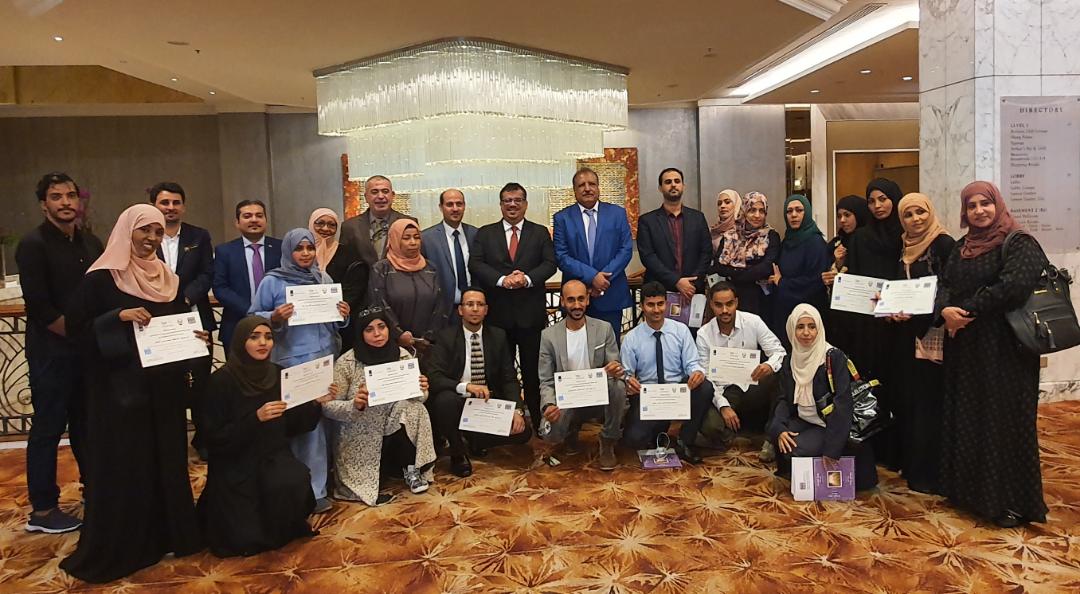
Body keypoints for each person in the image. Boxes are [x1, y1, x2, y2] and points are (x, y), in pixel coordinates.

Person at [60, 204, 206, 582]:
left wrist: (194, 339)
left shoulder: (167, 278)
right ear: (127, 231)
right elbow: (76, 331)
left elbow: (175, 323)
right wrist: (116, 318)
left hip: (164, 390)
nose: (151, 239)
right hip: (120, 393)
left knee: (166, 458)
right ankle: (130, 544)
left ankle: (169, 533)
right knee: (130, 463)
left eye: (158, 232)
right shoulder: (101, 279)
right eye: (144, 230)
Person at [937, 181, 1047, 528]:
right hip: (966, 347)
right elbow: (944, 283)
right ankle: (969, 493)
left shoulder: (1020, 243)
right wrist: (945, 310)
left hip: (1005, 349)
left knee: (1003, 421)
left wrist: (966, 310)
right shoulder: (962, 246)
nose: (979, 211)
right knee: (969, 416)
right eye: (971, 206)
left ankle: (1008, 502)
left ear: (997, 205)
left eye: (985, 203)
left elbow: (1013, 287)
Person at [17, 172, 103, 534]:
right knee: (48, 428)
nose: (66, 202)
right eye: (56, 197)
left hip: (88, 353)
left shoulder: (90, 242)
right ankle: (43, 509)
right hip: (52, 354)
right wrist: (81, 334)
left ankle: (95, 491)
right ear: (44, 204)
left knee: (88, 425)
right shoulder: (33, 244)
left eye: (70, 195)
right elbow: (40, 306)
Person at [197, 316, 326, 557]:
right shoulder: (221, 381)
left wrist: (315, 403)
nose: (263, 343)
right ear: (240, 341)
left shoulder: (278, 374)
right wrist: (255, 418)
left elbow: (295, 424)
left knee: (292, 479)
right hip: (236, 461)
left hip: (272, 454)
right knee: (242, 538)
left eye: (268, 337)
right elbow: (213, 437)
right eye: (254, 337)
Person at [249, 228, 351, 514]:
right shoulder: (273, 281)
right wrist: (274, 316)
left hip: (326, 357)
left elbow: (333, 322)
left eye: (310, 248)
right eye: (299, 249)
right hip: (293, 361)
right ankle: (309, 490)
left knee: (330, 418)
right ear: (288, 251)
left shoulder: (323, 278)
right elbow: (252, 318)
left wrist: (343, 315)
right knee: (306, 426)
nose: (305, 254)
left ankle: (329, 480)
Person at [324, 307, 436, 505]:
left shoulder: (402, 355)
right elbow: (328, 406)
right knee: (366, 485)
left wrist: (422, 389)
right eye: (369, 329)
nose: (377, 334)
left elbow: (418, 398)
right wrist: (354, 405)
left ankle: (411, 468)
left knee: (415, 410)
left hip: (394, 425)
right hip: (362, 431)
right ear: (360, 333)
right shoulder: (347, 362)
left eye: (381, 327)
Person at [469, 182, 557, 430]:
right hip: (497, 318)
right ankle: (502, 424)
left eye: (518, 200)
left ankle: (539, 423)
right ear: (500, 205)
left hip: (531, 317)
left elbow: (550, 264)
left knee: (533, 373)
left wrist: (526, 279)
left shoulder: (540, 232)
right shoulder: (485, 233)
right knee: (499, 373)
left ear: (525, 204)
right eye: (507, 200)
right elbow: (475, 264)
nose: (512, 205)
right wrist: (502, 280)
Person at [766, 304, 878, 491]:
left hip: (829, 424)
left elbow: (843, 405)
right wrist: (779, 428)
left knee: (795, 448)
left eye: (812, 326)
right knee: (776, 433)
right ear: (792, 329)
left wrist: (831, 450)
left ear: (819, 328)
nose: (806, 333)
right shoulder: (790, 360)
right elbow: (783, 399)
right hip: (806, 419)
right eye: (800, 327)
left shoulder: (833, 357)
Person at [423, 288, 532, 478]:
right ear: (460, 310)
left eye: (480, 304)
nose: (475, 309)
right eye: (469, 304)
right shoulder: (446, 337)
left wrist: (518, 410)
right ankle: (458, 452)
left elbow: (508, 378)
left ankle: (474, 439)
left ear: (486, 310)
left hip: (487, 403)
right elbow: (434, 376)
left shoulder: (498, 336)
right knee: (444, 401)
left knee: (523, 433)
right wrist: (466, 386)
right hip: (458, 401)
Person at [889, 193, 954, 494]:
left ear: (930, 212)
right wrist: (890, 308)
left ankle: (932, 473)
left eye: (920, 212)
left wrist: (924, 315)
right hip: (907, 335)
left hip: (934, 333)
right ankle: (914, 465)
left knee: (931, 401)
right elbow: (899, 287)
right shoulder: (903, 246)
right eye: (908, 214)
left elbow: (950, 287)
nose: (915, 219)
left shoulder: (943, 244)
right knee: (912, 399)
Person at [841, 178, 905, 469]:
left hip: (900, 325)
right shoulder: (861, 238)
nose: (878, 206)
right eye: (872, 201)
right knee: (871, 385)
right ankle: (873, 449)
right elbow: (855, 280)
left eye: (883, 199)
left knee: (898, 386)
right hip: (868, 326)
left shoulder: (906, 235)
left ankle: (897, 451)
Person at [150, 181, 215, 459]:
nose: (170, 208)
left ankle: (203, 439)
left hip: (194, 318)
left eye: (176, 202)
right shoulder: (146, 236)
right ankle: (170, 441)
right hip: (157, 322)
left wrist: (184, 298)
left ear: (183, 206)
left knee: (200, 382)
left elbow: (207, 273)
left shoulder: (198, 236)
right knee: (166, 384)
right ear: (154, 206)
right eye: (164, 203)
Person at [538, 280, 627, 470]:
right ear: (562, 301)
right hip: (567, 399)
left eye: (581, 299)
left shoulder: (604, 328)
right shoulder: (548, 336)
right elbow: (545, 380)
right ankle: (570, 430)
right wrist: (549, 405)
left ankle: (608, 441)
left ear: (588, 300)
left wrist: (615, 369)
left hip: (597, 396)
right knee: (549, 434)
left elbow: (616, 365)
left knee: (618, 386)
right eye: (571, 300)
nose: (577, 305)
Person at [620, 281, 713, 464]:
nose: (656, 310)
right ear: (642, 306)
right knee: (633, 439)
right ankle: (657, 430)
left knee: (705, 387)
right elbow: (626, 373)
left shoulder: (681, 330)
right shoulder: (631, 338)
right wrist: (628, 381)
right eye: (650, 305)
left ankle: (685, 440)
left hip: (677, 391)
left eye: (660, 304)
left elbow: (692, 363)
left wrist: (697, 372)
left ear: (667, 303)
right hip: (648, 394)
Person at [694, 282, 785, 461]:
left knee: (778, 374)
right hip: (722, 391)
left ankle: (770, 438)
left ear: (736, 302)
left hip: (751, 385)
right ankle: (737, 437)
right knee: (711, 427)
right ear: (711, 305)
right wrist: (723, 406)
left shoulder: (753, 322)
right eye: (718, 305)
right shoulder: (704, 334)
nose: (725, 310)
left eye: (729, 304)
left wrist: (769, 365)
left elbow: (779, 352)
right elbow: (706, 377)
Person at [552, 168, 634, 339]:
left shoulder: (617, 213)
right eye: (582, 185)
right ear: (574, 190)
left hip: (610, 294)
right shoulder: (562, 218)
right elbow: (561, 256)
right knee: (575, 348)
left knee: (609, 348)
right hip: (575, 298)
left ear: (598, 187)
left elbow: (625, 250)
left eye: (592, 184)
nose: (587, 188)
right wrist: (592, 277)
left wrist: (602, 280)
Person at [368, 219, 448, 350]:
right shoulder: (381, 269)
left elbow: (440, 305)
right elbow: (379, 305)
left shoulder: (430, 268)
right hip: (392, 344)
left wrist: (429, 336)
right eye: (406, 238)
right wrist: (398, 334)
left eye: (417, 237)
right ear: (395, 239)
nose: (413, 242)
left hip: (428, 345)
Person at [212, 200, 281, 350]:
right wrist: (251, 311)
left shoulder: (280, 248)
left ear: (266, 220)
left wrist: (273, 314)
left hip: (276, 325)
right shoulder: (225, 251)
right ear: (237, 222)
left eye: (259, 215)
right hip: (237, 324)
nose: (254, 220)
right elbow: (220, 288)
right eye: (247, 216)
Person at [637, 168, 712, 303]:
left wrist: (692, 282)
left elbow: (706, 252)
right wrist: (676, 281)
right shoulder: (647, 221)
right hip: (660, 292)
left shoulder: (698, 218)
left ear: (683, 186)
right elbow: (648, 256)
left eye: (677, 181)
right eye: (668, 182)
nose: (673, 185)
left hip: (692, 290)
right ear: (660, 188)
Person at [768, 195, 829, 346]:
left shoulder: (815, 242)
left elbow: (816, 281)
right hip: (786, 311)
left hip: (808, 312)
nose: (794, 215)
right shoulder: (787, 240)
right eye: (789, 211)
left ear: (807, 213)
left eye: (799, 210)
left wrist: (782, 283)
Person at [710, 191, 781, 317]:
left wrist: (734, 272)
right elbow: (718, 266)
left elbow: (767, 267)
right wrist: (749, 271)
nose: (757, 215)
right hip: (732, 298)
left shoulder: (771, 236)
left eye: (761, 211)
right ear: (744, 211)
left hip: (760, 299)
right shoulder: (730, 236)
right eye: (752, 210)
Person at [308, 207, 367, 353]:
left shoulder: (348, 254)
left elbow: (354, 288)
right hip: (305, 328)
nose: (325, 228)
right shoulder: (301, 253)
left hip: (338, 326)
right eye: (320, 223)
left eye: (331, 225)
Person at [820, 194, 872, 358]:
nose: (842, 220)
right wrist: (833, 268)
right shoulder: (835, 244)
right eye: (839, 216)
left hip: (863, 316)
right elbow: (825, 273)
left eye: (847, 215)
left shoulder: (868, 241)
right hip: (838, 316)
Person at [420, 188, 478, 325]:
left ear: (464, 206)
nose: (455, 209)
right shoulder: (426, 238)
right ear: (441, 207)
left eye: (459, 204)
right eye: (450, 204)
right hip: (442, 311)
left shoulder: (476, 234)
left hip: (473, 309)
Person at [338, 175, 416, 267]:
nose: (380, 196)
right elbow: (344, 263)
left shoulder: (408, 222)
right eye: (374, 192)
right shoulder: (350, 227)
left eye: (385, 191)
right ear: (366, 197)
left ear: (393, 195)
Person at [709, 189, 742, 253]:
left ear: (736, 204)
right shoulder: (713, 231)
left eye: (727, 202)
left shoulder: (743, 230)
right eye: (719, 203)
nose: (722, 206)